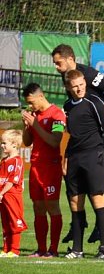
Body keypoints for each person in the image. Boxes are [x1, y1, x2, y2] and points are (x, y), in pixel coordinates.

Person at [52, 43, 104, 245]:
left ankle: (100, 231)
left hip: (94, 137)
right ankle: (77, 229)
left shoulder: (88, 74)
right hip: (78, 142)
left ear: (70, 59)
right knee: (75, 193)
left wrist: (98, 111)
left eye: (58, 63)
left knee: (96, 192)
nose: (56, 67)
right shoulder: (67, 81)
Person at [62, 69, 104, 260]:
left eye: (81, 84)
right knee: (75, 202)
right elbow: (70, 136)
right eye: (75, 86)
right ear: (68, 87)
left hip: (94, 156)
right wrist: (66, 157)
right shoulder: (67, 106)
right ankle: (77, 249)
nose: (79, 89)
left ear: (85, 82)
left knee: (97, 199)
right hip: (74, 159)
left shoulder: (95, 102)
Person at [20, 83, 65, 257]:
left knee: (52, 206)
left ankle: (53, 250)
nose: (30, 106)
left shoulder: (57, 115)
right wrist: (27, 126)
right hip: (36, 166)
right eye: (28, 104)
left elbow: (55, 141)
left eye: (32, 102)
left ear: (41, 96)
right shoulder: (34, 116)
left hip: (51, 167)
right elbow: (27, 142)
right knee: (38, 207)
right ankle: (41, 249)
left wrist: (36, 124)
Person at [0, 130, 27, 258]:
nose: (2, 145)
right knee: (5, 222)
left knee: (14, 221)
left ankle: (14, 250)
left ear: (14, 145)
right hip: (3, 195)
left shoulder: (17, 161)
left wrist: (2, 192)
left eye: (4, 143)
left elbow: (12, 181)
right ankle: (6, 249)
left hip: (12, 195)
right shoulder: (4, 160)